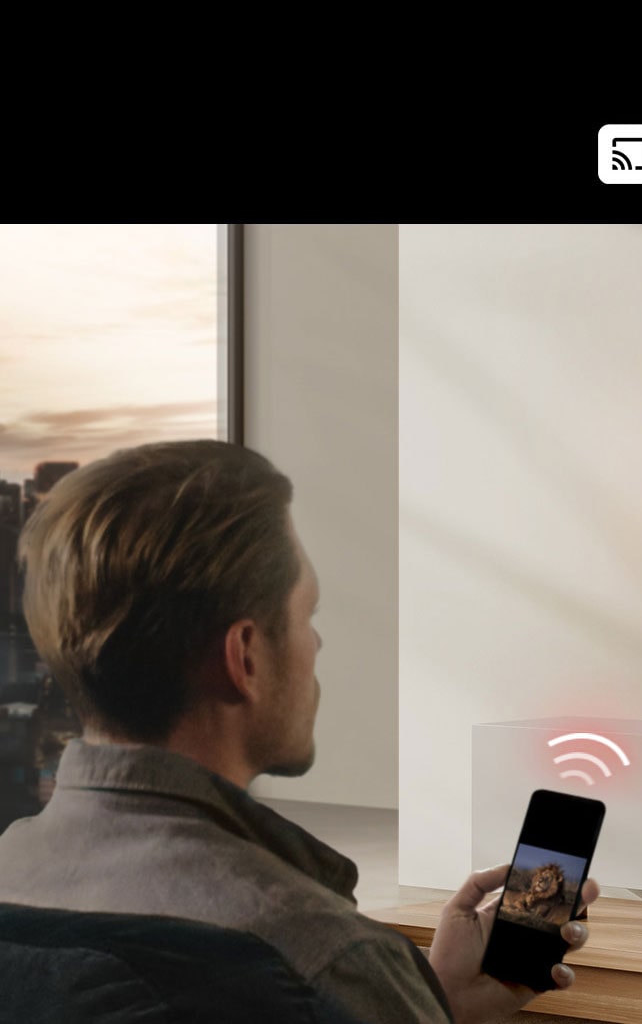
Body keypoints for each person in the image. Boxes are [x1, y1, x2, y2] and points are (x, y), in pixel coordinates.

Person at [0, 439, 594, 1024]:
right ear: (246, 657)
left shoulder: (11, 872)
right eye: (307, 614)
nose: (316, 643)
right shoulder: (319, 958)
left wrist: (434, 1001)